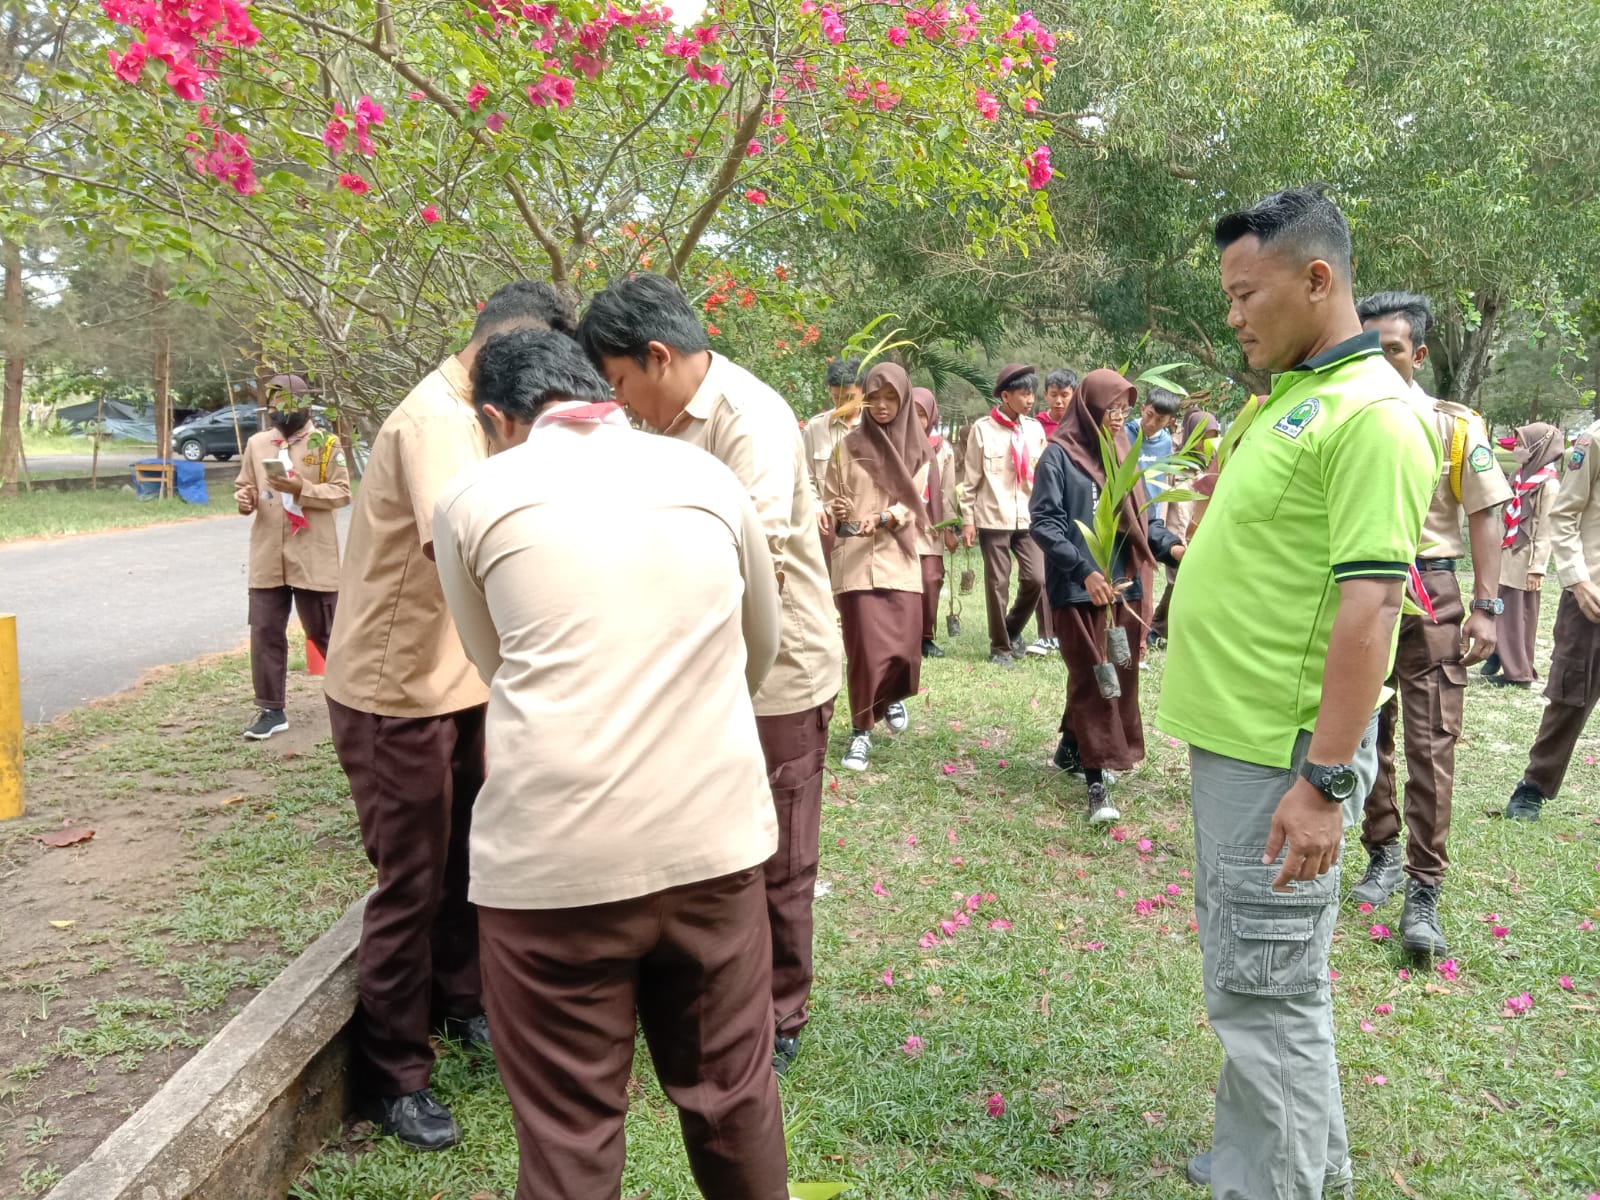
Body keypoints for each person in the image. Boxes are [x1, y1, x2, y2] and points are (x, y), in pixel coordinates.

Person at [433, 328, 788, 1200]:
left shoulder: (471, 495)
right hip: (712, 842)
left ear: (495, 417)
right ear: (605, 388)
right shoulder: (707, 477)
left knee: (569, 1128)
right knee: (734, 1096)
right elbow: (759, 651)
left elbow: (493, 661)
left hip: (553, 865)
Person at [1156, 187, 1438, 1200]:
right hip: (1234, 744)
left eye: (1245, 294)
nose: (1232, 316)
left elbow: (1371, 611)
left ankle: (1274, 1185)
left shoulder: (1371, 417)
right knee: (1251, 975)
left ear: (1317, 280)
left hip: (1283, 754)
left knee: (1265, 993)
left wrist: (1323, 780)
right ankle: (1267, 1164)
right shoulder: (1285, 397)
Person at [322, 279, 578, 1149]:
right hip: (399, 692)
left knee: (471, 862)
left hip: (460, 683)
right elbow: (458, 548)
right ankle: (394, 1071)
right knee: (413, 882)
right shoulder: (437, 421)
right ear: (504, 343)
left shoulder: (483, 412)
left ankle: (463, 1002)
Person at [576, 272, 842, 1078]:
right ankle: (717, 989)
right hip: (698, 671)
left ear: (657, 357)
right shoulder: (659, 429)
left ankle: (779, 1010)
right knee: (713, 843)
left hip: (773, 674)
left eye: (620, 382)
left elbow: (745, 553)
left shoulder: (746, 417)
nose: (620, 404)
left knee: (779, 849)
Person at [1347, 290, 1510, 956]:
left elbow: (1485, 513)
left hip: (1432, 589)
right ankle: (1381, 850)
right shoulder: (1349, 420)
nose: (1376, 363)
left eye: (1388, 349)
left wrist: (1487, 605)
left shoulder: (1453, 425)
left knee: (1431, 737)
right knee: (1363, 728)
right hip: (1362, 589)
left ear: (1417, 352)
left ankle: (1424, 889)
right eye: (1365, 350)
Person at [1031, 369, 1184, 825]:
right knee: (1096, 676)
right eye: (1111, 409)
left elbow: (1144, 522)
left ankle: (1070, 750)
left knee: (1116, 673)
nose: (1119, 419)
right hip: (1078, 588)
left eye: (1125, 411)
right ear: (1090, 407)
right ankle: (1096, 783)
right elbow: (1046, 523)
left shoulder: (1124, 454)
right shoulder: (1058, 457)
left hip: (1123, 585)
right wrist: (1084, 570)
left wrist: (1172, 546)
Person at [822, 364, 929, 771]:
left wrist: (883, 518)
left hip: (898, 556)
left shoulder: (918, 450)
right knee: (864, 651)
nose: (882, 406)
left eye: (891, 399)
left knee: (905, 649)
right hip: (854, 561)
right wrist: (838, 508)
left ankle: (892, 696)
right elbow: (831, 496)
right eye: (875, 398)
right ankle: (861, 733)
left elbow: (912, 505)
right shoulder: (846, 445)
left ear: (903, 401)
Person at [233, 374, 350, 740]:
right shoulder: (257, 444)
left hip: (312, 554)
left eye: (285, 407)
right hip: (268, 554)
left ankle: (356, 701)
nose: (278, 415)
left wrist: (303, 488)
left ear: (304, 406)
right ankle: (271, 710)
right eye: (273, 408)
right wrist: (245, 500)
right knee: (265, 630)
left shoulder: (326, 444)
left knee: (326, 631)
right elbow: (245, 486)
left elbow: (342, 492)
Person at [1506, 417, 1600, 821]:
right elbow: (1564, 515)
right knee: (1569, 696)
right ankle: (1533, 787)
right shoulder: (1595, 439)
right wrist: (1578, 581)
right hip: (1591, 597)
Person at [960, 364, 1050, 665]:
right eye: (1024, 394)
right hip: (992, 516)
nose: (1029, 400)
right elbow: (971, 478)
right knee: (997, 583)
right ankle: (1000, 648)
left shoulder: (1035, 430)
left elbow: (1041, 474)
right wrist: (968, 519)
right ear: (1006, 395)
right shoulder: (982, 429)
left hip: (1028, 517)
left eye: (1032, 394)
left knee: (1036, 577)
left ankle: (1011, 627)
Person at [1483, 423, 1562, 687]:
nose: (1516, 449)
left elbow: (1546, 529)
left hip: (1524, 559)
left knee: (1518, 615)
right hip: (1506, 552)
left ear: (1539, 447)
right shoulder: (1519, 476)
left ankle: (1518, 672)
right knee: (1498, 606)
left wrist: (1538, 567)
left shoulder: (1548, 484)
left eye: (1521, 444)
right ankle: (1496, 655)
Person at [1150, 408, 1219, 646]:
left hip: (1198, 534)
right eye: (1201, 436)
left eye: (1211, 437)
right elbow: (1161, 501)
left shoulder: (1212, 466)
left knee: (1187, 583)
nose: (1205, 444)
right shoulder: (1173, 464)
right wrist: (1160, 532)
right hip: (1174, 534)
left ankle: (1163, 628)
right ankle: (1159, 628)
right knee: (1176, 581)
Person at [803, 358, 864, 563]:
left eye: (849, 398)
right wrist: (816, 506)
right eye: (836, 398)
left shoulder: (876, 429)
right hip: (827, 523)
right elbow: (806, 476)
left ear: (863, 391)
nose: (842, 404)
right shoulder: (816, 428)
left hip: (865, 521)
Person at [913, 387, 960, 658]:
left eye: (922, 414)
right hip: (902, 524)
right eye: (912, 413)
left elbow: (948, 491)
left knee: (932, 579)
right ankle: (905, 637)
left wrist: (950, 528)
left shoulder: (943, 449)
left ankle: (926, 637)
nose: (917, 419)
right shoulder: (896, 443)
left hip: (932, 527)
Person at [1036, 368, 1078, 438]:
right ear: (1045, 395)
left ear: (1074, 395)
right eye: (1053, 395)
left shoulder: (1078, 424)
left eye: (1064, 395)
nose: (1058, 401)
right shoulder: (1036, 425)